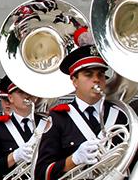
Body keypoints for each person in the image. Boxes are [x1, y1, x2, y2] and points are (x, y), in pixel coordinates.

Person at [35, 29, 129, 180]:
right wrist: (73, 160)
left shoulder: (120, 116)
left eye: (100, 74)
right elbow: (41, 173)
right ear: (74, 81)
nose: (96, 79)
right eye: (88, 74)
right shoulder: (59, 118)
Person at [0, 76, 45, 180]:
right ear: (10, 98)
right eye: (21, 92)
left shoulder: (47, 123)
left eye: (29, 92)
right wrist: (15, 156)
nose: (26, 96)